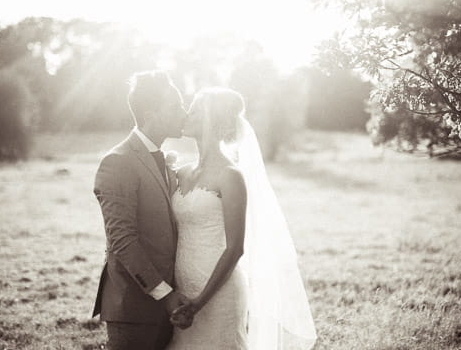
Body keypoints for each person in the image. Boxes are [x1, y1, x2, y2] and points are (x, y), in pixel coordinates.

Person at [167, 87, 317, 350]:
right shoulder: (180, 172)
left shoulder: (230, 176)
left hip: (217, 291)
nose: (185, 115)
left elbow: (236, 248)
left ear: (210, 121)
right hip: (181, 286)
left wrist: (199, 303)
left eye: (194, 111)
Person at [92, 71, 193, 350]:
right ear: (152, 113)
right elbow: (122, 240)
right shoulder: (118, 162)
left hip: (170, 308)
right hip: (134, 309)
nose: (184, 113)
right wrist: (165, 294)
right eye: (176, 106)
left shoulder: (163, 158)